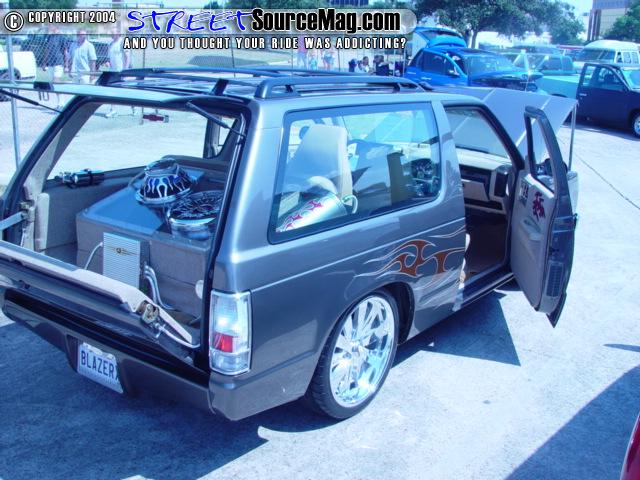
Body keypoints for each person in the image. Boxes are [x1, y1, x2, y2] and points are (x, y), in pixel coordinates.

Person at [105, 31, 132, 118]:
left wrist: (125, 71)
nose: (111, 35)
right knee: (112, 91)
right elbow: (109, 58)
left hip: (122, 72)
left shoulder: (123, 42)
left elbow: (127, 57)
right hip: (113, 72)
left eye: (113, 33)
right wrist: (108, 63)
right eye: (111, 33)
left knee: (126, 92)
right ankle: (113, 110)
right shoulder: (110, 44)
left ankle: (134, 106)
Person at [42, 25, 67, 109]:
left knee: (56, 81)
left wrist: (66, 65)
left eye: (51, 25)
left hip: (58, 63)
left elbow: (65, 51)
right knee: (54, 84)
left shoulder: (61, 37)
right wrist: (44, 63)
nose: (49, 27)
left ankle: (61, 103)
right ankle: (60, 102)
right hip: (50, 63)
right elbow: (47, 50)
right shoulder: (49, 37)